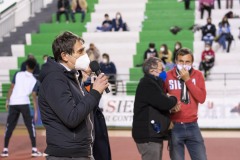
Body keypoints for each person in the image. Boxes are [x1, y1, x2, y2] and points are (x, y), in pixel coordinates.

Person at [38, 31, 109, 159]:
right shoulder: (55, 80)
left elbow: (82, 109)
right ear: (65, 56)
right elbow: (72, 117)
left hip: (79, 152)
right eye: (80, 51)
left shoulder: (72, 77)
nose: (85, 55)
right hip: (67, 155)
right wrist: (95, 92)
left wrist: (91, 90)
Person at [132, 57, 180, 160]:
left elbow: (157, 106)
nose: (164, 72)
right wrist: (173, 98)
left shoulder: (153, 84)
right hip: (149, 135)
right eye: (162, 69)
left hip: (152, 134)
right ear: (152, 70)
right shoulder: (148, 84)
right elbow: (165, 103)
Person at [165, 48, 207, 160]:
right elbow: (161, 100)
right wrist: (169, 110)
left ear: (192, 63)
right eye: (181, 61)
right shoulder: (167, 76)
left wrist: (187, 80)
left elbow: (201, 98)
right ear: (176, 61)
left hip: (193, 125)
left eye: (187, 62)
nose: (184, 65)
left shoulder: (198, 75)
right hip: (174, 126)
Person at [1, 58, 42, 158]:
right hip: (24, 103)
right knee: (30, 126)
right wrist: (36, 111)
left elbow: (11, 88)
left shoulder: (18, 74)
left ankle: (5, 150)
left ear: (26, 66)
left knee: (9, 126)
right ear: (34, 67)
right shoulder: (34, 80)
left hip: (14, 102)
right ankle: (34, 150)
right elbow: (33, 95)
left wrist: (7, 100)